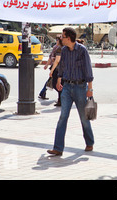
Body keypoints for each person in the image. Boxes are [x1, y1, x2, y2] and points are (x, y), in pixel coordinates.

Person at [47, 27, 95, 156]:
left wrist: (89, 89)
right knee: (63, 117)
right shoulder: (64, 50)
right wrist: (59, 80)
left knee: (84, 117)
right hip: (67, 87)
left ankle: (89, 142)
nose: (61, 39)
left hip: (80, 87)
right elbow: (62, 67)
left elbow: (88, 71)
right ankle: (58, 148)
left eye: (62, 36)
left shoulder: (82, 51)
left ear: (69, 38)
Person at [38, 36, 61, 100]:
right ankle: (42, 93)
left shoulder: (58, 47)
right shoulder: (56, 48)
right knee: (51, 81)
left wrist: (47, 65)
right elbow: (51, 57)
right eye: (57, 40)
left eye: (58, 40)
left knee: (50, 80)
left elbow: (51, 57)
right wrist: (47, 65)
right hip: (55, 67)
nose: (57, 41)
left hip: (55, 67)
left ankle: (42, 93)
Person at [49, 37, 63, 106]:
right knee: (60, 85)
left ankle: (62, 98)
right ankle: (61, 100)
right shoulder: (66, 48)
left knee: (56, 84)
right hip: (65, 70)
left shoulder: (59, 48)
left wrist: (51, 71)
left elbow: (57, 61)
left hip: (59, 70)